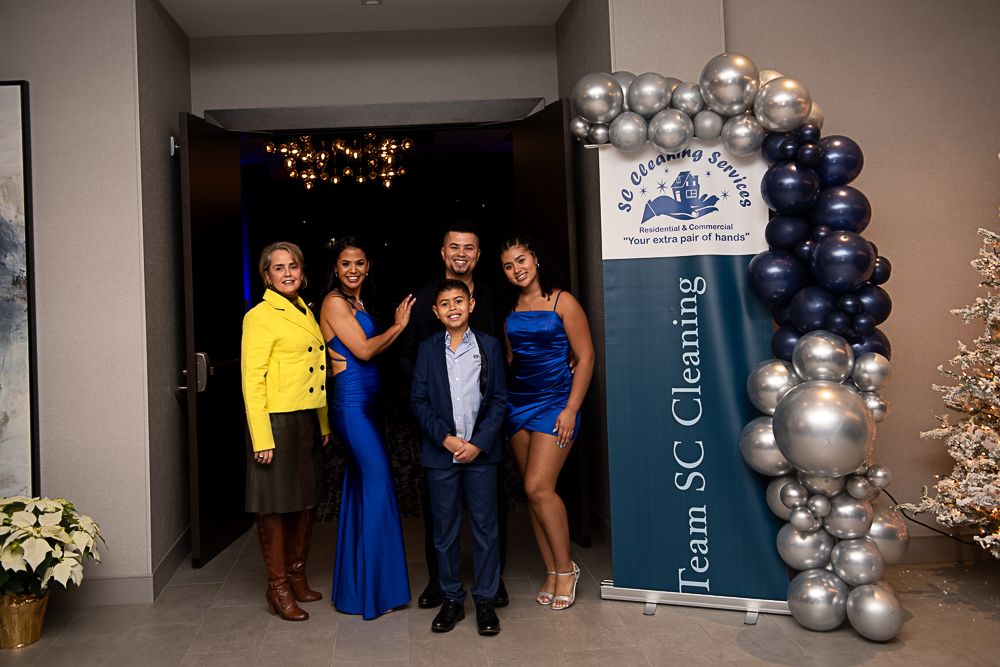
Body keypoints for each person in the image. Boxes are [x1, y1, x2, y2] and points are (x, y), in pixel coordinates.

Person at [399, 223, 509, 609]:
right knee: (442, 525)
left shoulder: (491, 311)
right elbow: (414, 380)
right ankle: (446, 591)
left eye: (469, 248)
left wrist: (480, 440)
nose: (461, 253)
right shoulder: (425, 314)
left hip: (483, 439)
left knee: (486, 522)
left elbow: (499, 392)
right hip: (440, 435)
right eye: (454, 247)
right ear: (443, 252)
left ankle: (488, 591)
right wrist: (441, 434)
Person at [319, 236, 415, 619]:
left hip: (369, 406)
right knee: (378, 485)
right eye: (346, 264)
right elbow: (362, 350)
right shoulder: (333, 302)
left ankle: (357, 590)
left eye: (359, 263)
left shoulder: (356, 302)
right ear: (336, 269)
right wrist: (398, 325)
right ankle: (375, 593)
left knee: (361, 490)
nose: (353, 269)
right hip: (351, 407)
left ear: (368, 266)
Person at [500, 235, 594, 611]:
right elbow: (512, 360)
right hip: (517, 404)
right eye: (508, 265)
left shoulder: (562, 301)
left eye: (520, 260)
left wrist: (570, 409)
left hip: (556, 404)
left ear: (535, 259)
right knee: (531, 491)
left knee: (540, 487)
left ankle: (567, 569)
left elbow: (585, 358)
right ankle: (553, 572)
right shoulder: (510, 309)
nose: (516, 269)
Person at [241, 241, 331, 622]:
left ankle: (296, 576)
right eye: (279, 268)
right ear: (266, 276)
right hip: (276, 422)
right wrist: (262, 438)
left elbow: (317, 368)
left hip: (306, 419)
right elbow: (252, 380)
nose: (288, 273)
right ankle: (277, 587)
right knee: (275, 508)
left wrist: (323, 423)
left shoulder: (303, 309)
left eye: (292, 265)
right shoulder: (260, 315)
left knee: (305, 502)